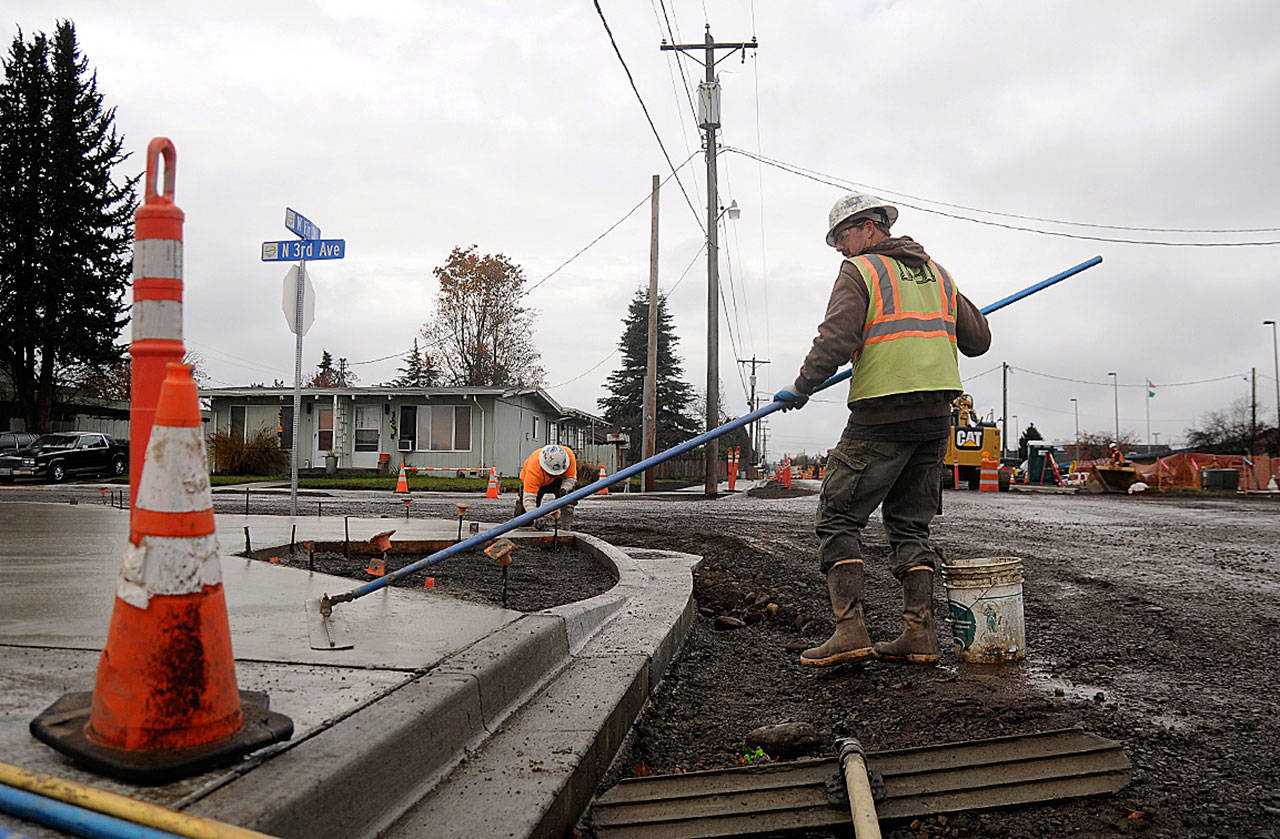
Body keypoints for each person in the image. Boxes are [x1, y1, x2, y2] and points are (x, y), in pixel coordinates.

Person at [773, 192, 992, 667]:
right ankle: (920, 635)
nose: (838, 248)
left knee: (837, 517)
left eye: (841, 236)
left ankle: (849, 630)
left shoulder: (862, 270)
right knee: (910, 525)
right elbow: (980, 340)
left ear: (870, 228)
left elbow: (836, 338)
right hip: (935, 419)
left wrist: (802, 386)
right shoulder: (938, 274)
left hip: (883, 414)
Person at [515, 444, 578, 531]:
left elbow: (570, 478)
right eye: (551, 473)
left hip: (559, 481)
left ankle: (566, 529)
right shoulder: (533, 469)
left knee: (569, 499)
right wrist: (536, 516)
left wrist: (564, 489)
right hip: (538, 481)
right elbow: (529, 499)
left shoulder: (569, 456)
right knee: (524, 519)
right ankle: (524, 524)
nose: (553, 475)